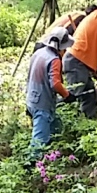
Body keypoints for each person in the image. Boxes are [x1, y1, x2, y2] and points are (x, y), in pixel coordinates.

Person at [26, 26, 75, 160]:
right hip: (43, 104)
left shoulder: (38, 53)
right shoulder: (54, 60)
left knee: (56, 127)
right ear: (60, 47)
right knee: (39, 139)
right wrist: (67, 95)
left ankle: (55, 154)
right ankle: (31, 165)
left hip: (31, 98)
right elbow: (55, 84)